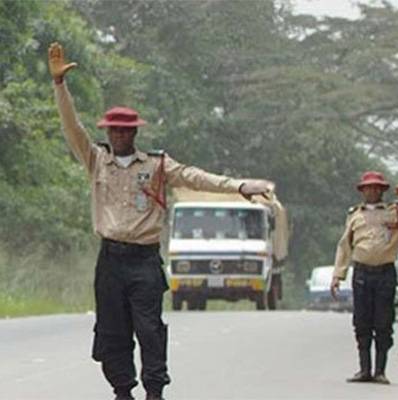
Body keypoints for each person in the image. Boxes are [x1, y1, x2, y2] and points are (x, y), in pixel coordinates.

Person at [48, 42, 273, 400]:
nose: (119, 136)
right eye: (113, 131)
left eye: (125, 131)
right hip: (110, 259)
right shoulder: (96, 161)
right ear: (107, 133)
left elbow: (197, 177)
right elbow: (71, 127)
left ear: (135, 133)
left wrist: (240, 186)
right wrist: (60, 86)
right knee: (112, 331)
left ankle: (155, 391)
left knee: (150, 329)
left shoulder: (157, 166)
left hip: (144, 261)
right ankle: (122, 390)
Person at [330, 171, 398, 384]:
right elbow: (345, 246)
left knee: (383, 322)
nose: (372, 191)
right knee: (362, 322)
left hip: (384, 273)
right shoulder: (355, 215)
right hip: (362, 273)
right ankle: (364, 369)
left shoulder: (396, 211)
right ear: (362, 191)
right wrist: (338, 275)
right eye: (368, 188)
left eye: (376, 188)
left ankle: (380, 370)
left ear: (382, 190)